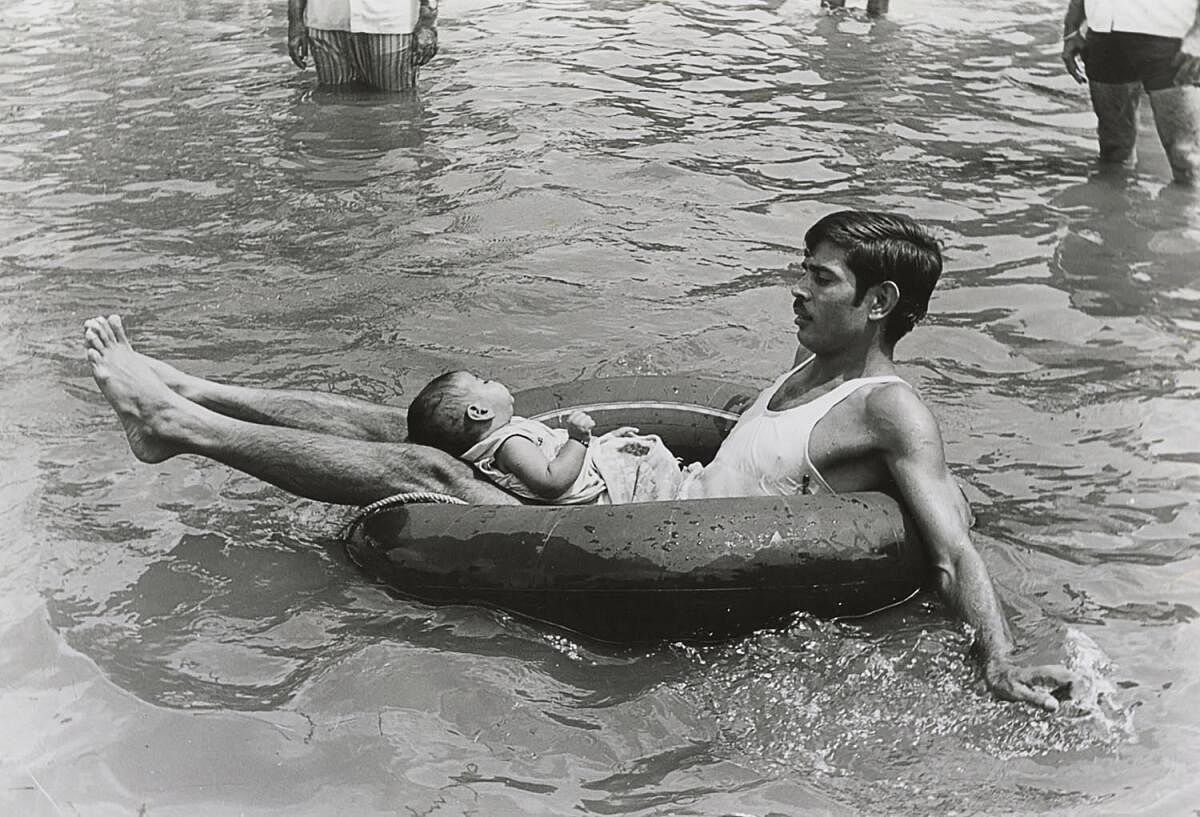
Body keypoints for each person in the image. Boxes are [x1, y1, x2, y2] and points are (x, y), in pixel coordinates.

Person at [83, 209, 1075, 710]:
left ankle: (177, 430)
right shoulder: (809, 362)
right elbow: (736, 445)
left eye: (817, 280)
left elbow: (947, 540)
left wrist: (995, 648)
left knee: (435, 478)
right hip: (656, 488)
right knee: (424, 419)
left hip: (648, 535)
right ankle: (198, 387)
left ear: (879, 306)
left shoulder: (890, 408)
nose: (796, 293)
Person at [405, 371, 664, 504]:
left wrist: (601, 443)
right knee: (654, 457)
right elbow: (552, 482)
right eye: (483, 381)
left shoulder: (504, 436)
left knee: (638, 448)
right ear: (480, 411)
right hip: (594, 492)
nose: (491, 380)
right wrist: (580, 439)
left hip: (585, 470)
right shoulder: (510, 445)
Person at [1061, 0, 1200, 184]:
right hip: (1103, 30)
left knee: (1185, 156)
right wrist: (1072, 26)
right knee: (1114, 151)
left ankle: (1187, 211)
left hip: (1170, 34)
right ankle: (1115, 210)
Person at [287, 0, 439, 92]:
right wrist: (295, 22)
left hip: (391, 23)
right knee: (332, 103)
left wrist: (427, 23)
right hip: (325, 20)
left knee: (396, 106)